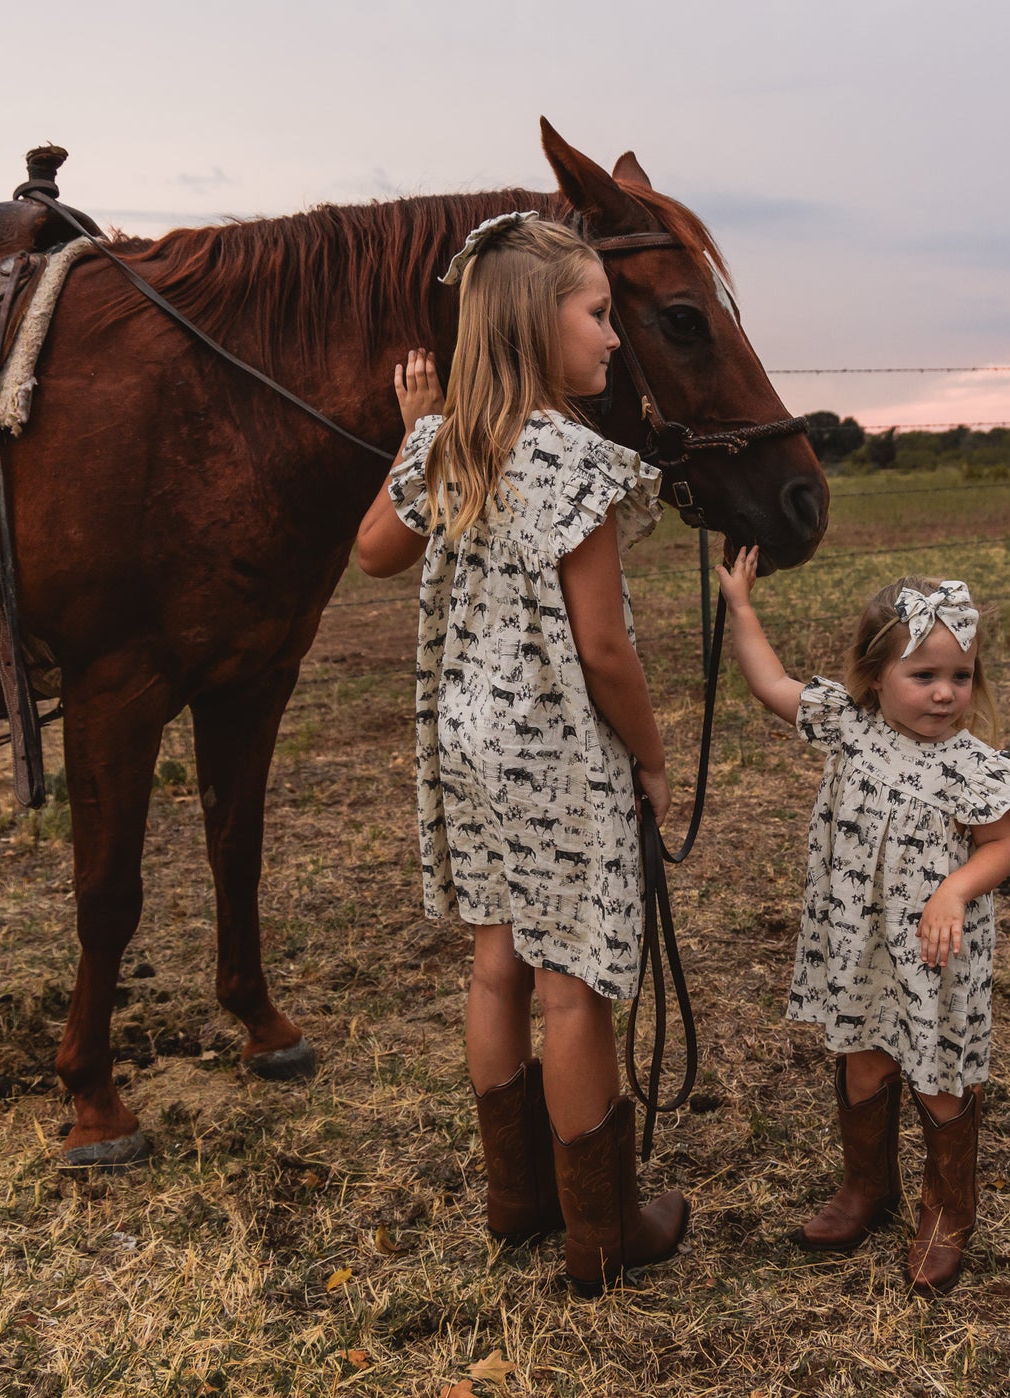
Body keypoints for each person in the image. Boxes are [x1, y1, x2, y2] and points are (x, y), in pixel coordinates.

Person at [356, 212, 688, 1296]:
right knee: (575, 984)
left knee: (496, 959)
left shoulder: (454, 446)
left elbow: (372, 554)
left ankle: (517, 1200)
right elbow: (602, 644)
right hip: (553, 750)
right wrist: (649, 753)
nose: (610, 337)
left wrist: (418, 431)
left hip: (467, 740)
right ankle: (603, 1233)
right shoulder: (578, 462)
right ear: (534, 326)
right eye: (595, 315)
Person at [715, 550, 1010, 1294]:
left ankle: (946, 1207)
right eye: (922, 676)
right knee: (864, 1053)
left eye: (959, 677)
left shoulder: (972, 767)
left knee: (936, 1073)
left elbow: (1001, 846)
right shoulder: (847, 728)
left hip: (934, 950)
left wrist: (953, 892)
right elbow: (769, 682)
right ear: (874, 677)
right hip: (858, 938)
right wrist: (741, 608)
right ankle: (867, 1186)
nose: (944, 694)